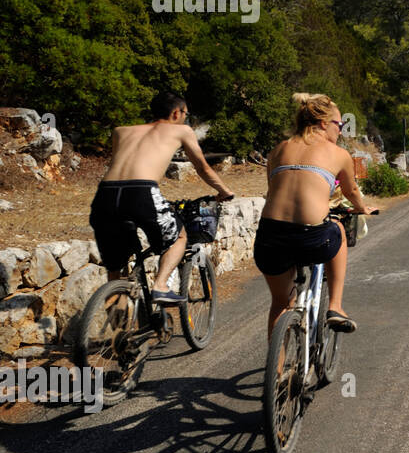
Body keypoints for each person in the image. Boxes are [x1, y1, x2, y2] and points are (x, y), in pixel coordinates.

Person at [90, 93, 235, 301]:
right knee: (179, 237)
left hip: (105, 195)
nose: (185, 117)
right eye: (185, 113)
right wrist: (224, 191)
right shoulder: (182, 130)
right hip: (140, 192)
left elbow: (122, 166)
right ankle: (160, 285)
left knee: (115, 265)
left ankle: (116, 315)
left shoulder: (120, 132)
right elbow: (202, 167)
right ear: (177, 112)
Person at [255, 94, 377, 337]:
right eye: (339, 125)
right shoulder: (338, 153)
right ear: (323, 124)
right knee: (339, 231)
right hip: (311, 238)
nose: (341, 132)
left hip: (269, 237)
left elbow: (274, 187)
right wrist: (362, 207)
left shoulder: (278, 150)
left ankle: (277, 372)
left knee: (280, 303)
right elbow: (351, 190)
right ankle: (336, 306)